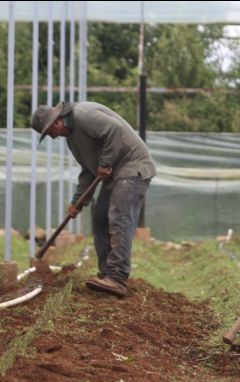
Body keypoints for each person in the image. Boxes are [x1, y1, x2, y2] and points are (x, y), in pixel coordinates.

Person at [31, 101, 156, 298]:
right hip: (114, 174)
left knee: (119, 219)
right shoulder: (72, 139)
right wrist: (78, 201)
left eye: (50, 132)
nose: (53, 137)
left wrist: (105, 162)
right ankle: (107, 275)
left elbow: (114, 130)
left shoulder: (83, 114)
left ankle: (117, 277)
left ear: (56, 122)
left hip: (132, 166)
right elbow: (89, 171)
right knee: (99, 220)